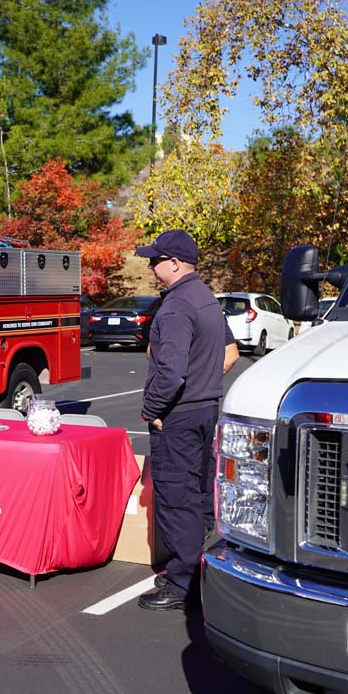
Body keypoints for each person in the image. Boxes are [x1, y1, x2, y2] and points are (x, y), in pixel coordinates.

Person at [136, 230, 226, 611]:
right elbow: (224, 353)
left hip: (180, 415)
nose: (151, 266)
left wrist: (152, 410)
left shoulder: (176, 307)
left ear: (175, 263)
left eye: (156, 260)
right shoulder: (205, 298)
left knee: (177, 499)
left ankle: (181, 583)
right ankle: (195, 568)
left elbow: (171, 373)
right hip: (205, 410)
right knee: (199, 495)